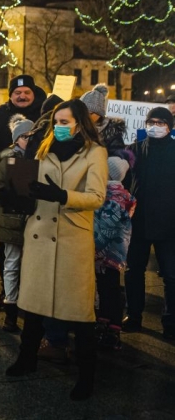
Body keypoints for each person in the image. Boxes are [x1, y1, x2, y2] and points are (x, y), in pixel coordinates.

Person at [6, 99, 107, 401]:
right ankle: (27, 358)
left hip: (71, 238)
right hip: (40, 233)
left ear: (80, 123)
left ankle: (87, 375)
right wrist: (18, 192)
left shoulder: (95, 152)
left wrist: (63, 195)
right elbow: (29, 185)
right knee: (34, 306)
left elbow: (97, 197)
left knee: (80, 312)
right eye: (56, 122)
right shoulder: (43, 147)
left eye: (65, 122)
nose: (59, 127)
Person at [0, 74, 47, 311]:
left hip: (36, 194)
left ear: (33, 93)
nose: (22, 96)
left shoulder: (44, 114)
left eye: (26, 92)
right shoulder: (1, 115)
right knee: (7, 249)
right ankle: (7, 294)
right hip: (7, 192)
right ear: (11, 95)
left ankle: (29, 298)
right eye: (17, 93)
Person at [124, 106, 175, 340]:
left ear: (169, 126)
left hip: (169, 224)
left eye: (160, 123)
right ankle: (133, 316)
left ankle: (171, 322)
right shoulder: (133, 150)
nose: (155, 126)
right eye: (151, 122)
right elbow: (124, 183)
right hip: (139, 222)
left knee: (171, 276)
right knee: (134, 271)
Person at [0, 115, 35, 333]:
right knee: (12, 264)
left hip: (32, 221)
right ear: (16, 139)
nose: (29, 140)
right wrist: (14, 199)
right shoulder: (8, 157)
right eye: (25, 136)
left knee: (29, 265)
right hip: (12, 219)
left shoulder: (38, 158)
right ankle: (10, 310)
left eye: (32, 136)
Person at [94, 154, 134, 349]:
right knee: (109, 287)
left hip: (105, 253)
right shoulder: (124, 195)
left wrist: (96, 247)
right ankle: (108, 323)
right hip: (116, 253)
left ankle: (111, 326)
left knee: (107, 288)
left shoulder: (110, 196)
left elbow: (105, 225)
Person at [80, 84, 126, 154]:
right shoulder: (75, 127)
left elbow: (118, 154)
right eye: (83, 112)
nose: (86, 116)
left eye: (90, 113)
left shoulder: (112, 132)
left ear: (99, 114)